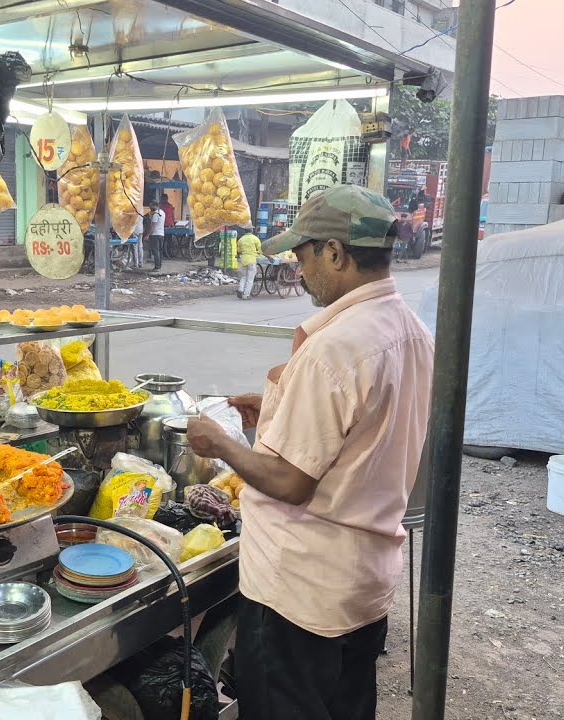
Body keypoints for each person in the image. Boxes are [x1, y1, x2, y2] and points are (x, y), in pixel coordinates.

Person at [185, 185, 435, 720]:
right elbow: (365, 435)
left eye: (302, 254)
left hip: (299, 593)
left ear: (336, 254)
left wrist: (221, 443)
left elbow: (291, 482)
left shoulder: (336, 346)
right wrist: (276, 409)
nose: (298, 270)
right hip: (362, 584)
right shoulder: (410, 330)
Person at [234, 227, 262, 300]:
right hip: (252, 260)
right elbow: (260, 250)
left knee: (243, 276)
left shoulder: (241, 239)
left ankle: (240, 289)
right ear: (252, 231)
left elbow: (238, 250)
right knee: (250, 278)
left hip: (243, 260)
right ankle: (246, 295)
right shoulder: (255, 239)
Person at [146, 201, 165, 271]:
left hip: (155, 235)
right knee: (160, 250)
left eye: (150, 206)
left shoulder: (155, 215)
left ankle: (157, 267)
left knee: (155, 251)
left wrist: (147, 235)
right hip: (162, 234)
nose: (149, 207)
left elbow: (152, 226)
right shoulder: (162, 212)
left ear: (154, 206)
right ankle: (159, 265)